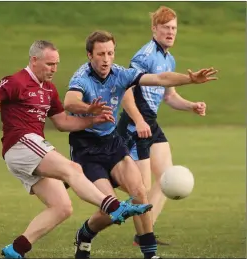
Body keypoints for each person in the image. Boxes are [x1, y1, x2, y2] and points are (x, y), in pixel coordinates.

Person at [0, 40, 153, 259]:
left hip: (31, 153)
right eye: (49, 64)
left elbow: (63, 122)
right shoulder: (15, 81)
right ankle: (115, 207)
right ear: (34, 60)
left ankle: (16, 250)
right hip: (20, 143)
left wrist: (93, 120)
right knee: (72, 168)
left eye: (56, 64)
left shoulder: (49, 90)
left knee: (63, 207)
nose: (54, 69)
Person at [63, 30, 217, 259]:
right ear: (89, 55)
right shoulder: (81, 77)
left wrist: (190, 80)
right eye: (101, 54)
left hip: (112, 143)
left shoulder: (120, 74)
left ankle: (150, 254)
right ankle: (85, 234)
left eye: (110, 53)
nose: (106, 59)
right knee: (111, 207)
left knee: (139, 192)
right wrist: (88, 109)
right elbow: (70, 101)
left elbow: (160, 79)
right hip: (86, 149)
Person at [117, 6, 208, 246]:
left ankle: (144, 234)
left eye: (174, 28)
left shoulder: (169, 58)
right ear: (154, 29)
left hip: (151, 123)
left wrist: (191, 106)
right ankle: (111, 208)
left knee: (166, 178)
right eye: (166, 27)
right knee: (140, 188)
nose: (170, 32)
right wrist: (137, 121)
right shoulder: (145, 55)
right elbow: (125, 89)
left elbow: (169, 97)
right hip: (135, 125)